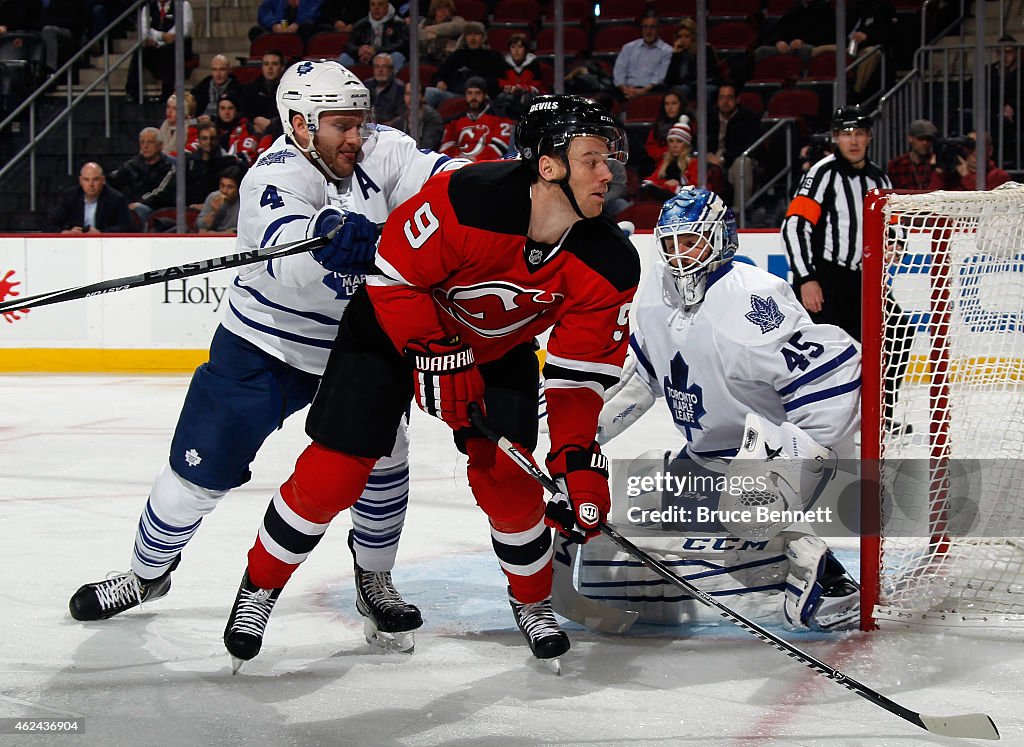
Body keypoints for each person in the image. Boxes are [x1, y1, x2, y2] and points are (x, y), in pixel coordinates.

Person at [221, 94, 639, 670]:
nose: (606, 173)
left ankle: (533, 602)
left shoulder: (613, 261)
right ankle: (259, 589)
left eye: (607, 160)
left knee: (508, 480)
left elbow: (578, 378)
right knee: (335, 472)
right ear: (549, 165)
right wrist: (435, 357)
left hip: (497, 349)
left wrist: (576, 457)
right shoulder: (468, 198)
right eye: (591, 159)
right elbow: (392, 278)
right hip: (393, 327)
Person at [68, 62, 468, 658]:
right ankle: (146, 573)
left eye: (358, 123)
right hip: (264, 347)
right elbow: (291, 255)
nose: (355, 137)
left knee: (384, 461)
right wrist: (328, 233)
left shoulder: (382, 149)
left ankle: (374, 580)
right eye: (341, 126)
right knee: (195, 477)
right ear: (301, 125)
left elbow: (446, 178)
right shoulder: (269, 177)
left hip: (354, 349)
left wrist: (501, 190)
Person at [595, 187, 862, 631]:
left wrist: (799, 460)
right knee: (623, 511)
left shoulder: (752, 297)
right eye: (670, 243)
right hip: (705, 458)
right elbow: (639, 379)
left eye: (691, 241)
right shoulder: (659, 298)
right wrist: (581, 432)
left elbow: (832, 373)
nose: (679, 255)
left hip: (770, 453)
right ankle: (762, 566)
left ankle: (824, 576)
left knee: (747, 499)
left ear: (720, 239)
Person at [782, 105, 910, 431]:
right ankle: (821, 420)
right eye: (846, 134)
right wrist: (806, 278)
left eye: (859, 134)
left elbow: (893, 224)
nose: (853, 141)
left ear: (869, 136)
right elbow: (795, 227)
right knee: (827, 353)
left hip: (865, 279)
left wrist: (895, 242)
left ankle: (879, 413)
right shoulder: (822, 174)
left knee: (898, 333)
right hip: (827, 277)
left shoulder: (880, 177)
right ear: (835, 137)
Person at [705, 82, 763, 210]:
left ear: (737, 99)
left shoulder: (749, 118)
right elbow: (697, 142)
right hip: (710, 159)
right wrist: (707, 155)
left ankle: (739, 215)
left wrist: (723, 159)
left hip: (734, 160)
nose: (725, 101)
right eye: (722, 97)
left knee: (743, 163)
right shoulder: (708, 117)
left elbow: (749, 146)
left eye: (729, 97)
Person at [124, 0, 194, 101]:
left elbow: (185, 28)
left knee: (169, 49)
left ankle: (167, 93)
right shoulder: (148, 7)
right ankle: (132, 93)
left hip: (178, 46)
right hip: (156, 46)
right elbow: (144, 31)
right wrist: (162, 36)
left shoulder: (182, 5)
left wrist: (165, 38)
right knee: (139, 51)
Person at [107, 126, 176, 227]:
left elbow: (161, 192)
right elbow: (111, 180)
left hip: (157, 209)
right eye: (142, 142)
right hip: (131, 207)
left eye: (150, 142)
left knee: (137, 210)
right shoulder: (130, 165)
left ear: (160, 146)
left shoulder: (169, 167)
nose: (145, 146)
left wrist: (140, 202)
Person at [439, 76, 515, 161]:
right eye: (470, 93)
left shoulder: (500, 118)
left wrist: (476, 161)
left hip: (486, 167)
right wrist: (456, 162)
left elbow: (499, 148)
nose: (473, 97)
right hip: (457, 166)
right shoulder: (453, 122)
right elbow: (446, 147)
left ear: (485, 95)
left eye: (478, 93)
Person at [48, 162, 134, 234]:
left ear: (103, 180)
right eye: (86, 179)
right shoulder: (70, 196)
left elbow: (128, 227)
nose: (91, 184)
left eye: (95, 179)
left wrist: (101, 233)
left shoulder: (116, 199)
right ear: (80, 181)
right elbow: (49, 224)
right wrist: (65, 232)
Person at [612, 11, 672, 101]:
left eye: (652, 27)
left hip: (652, 91)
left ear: (659, 29)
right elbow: (619, 72)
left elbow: (660, 77)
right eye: (645, 27)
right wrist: (625, 89)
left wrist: (642, 92)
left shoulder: (668, 51)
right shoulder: (628, 47)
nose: (648, 31)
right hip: (625, 91)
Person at [663, 17, 721, 105]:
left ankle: (706, 118)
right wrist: (675, 56)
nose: (682, 40)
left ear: (694, 37)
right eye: (680, 37)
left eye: (687, 36)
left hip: (706, 85)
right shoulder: (679, 53)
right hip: (686, 88)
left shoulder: (706, 49)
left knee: (706, 92)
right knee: (676, 91)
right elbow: (669, 81)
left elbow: (713, 75)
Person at [339, 0, 409, 72]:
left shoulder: (398, 23)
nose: (376, 8)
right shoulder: (362, 24)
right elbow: (349, 44)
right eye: (373, 4)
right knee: (345, 58)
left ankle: (391, 82)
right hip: (364, 57)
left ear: (387, 6)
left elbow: (403, 45)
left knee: (397, 56)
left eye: (380, 4)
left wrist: (376, 50)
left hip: (387, 56)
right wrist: (359, 50)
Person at [928, 131, 1011, 191]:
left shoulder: (1000, 176)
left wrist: (966, 176)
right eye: (970, 146)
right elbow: (932, 201)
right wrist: (940, 171)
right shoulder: (952, 174)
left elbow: (984, 202)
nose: (975, 152)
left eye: (980, 146)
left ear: (990, 150)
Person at [494, 32, 545, 118]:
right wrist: (509, 88)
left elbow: (537, 85)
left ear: (525, 49)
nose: (516, 50)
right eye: (513, 47)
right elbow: (501, 83)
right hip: (508, 97)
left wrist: (522, 88)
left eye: (520, 47)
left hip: (528, 97)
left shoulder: (534, 64)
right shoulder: (503, 64)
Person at [240, 50, 286, 140]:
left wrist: (272, 123)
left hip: (280, 132)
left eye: (274, 64)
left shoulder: (288, 87)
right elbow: (244, 110)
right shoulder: (251, 87)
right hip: (254, 130)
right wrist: (255, 121)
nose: (270, 67)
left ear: (282, 67)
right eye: (266, 64)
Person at [387, 79, 444, 150]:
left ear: (423, 97)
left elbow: (427, 148)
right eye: (407, 94)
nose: (410, 98)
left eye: (415, 94)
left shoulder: (433, 119)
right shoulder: (401, 120)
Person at [886, 118, 937, 190]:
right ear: (910, 138)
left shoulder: (937, 164)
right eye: (921, 138)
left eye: (928, 139)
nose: (925, 143)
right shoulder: (896, 165)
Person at [191, 54, 242, 122]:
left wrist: (212, 119)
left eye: (222, 69)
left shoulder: (237, 89)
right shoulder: (203, 85)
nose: (218, 74)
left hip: (220, 124)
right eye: (215, 69)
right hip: (200, 121)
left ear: (229, 70)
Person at [250, 0, 323, 44]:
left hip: (302, 28)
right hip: (278, 28)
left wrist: (298, 23)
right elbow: (264, 11)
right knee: (256, 31)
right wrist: (274, 25)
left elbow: (315, 11)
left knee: (307, 27)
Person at [195, 165, 243, 233]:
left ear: (239, 188)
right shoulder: (213, 197)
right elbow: (201, 227)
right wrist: (214, 212)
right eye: (222, 185)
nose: (224, 191)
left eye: (230, 187)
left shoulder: (244, 200)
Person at [364, 52, 405, 123]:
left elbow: (402, 116)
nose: (380, 70)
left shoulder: (399, 88)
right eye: (377, 66)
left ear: (391, 69)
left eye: (384, 66)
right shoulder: (367, 85)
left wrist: (389, 125)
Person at [157, 92, 199, 156]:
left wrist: (166, 157)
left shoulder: (192, 131)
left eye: (175, 108)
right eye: (168, 107)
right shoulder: (160, 130)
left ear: (186, 113)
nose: (170, 111)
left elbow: (188, 152)